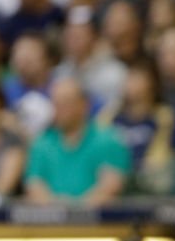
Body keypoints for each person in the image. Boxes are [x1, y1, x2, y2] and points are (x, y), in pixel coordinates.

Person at [24, 75, 131, 205]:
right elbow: (34, 185)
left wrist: (74, 211)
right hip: (50, 222)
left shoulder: (108, 140)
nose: (59, 109)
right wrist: (57, 208)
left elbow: (111, 185)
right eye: (56, 103)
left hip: (99, 223)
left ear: (84, 105)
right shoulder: (41, 143)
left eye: (66, 103)